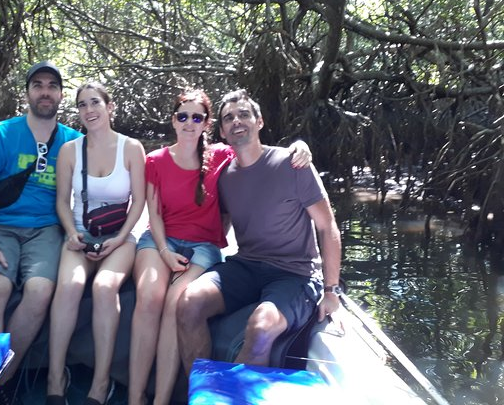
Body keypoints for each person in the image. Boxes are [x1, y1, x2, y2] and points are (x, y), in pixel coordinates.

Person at [128, 89, 313, 405]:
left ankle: (161, 399)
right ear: (173, 120)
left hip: (204, 246)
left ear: (207, 123)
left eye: (196, 117)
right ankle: (134, 397)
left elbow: (257, 154)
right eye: (182, 116)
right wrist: (163, 251)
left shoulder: (222, 155)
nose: (189, 123)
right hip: (161, 241)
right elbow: (154, 215)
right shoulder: (155, 160)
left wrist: (300, 146)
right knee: (148, 298)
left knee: (177, 302)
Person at [176, 89, 342, 377]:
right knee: (189, 303)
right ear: (223, 131)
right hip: (247, 265)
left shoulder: (293, 165)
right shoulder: (224, 176)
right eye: (228, 118)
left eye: (243, 115)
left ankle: (234, 393)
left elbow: (327, 227)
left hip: (295, 273)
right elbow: (216, 224)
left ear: (259, 122)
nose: (236, 121)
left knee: (261, 325)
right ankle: (206, 392)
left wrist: (331, 291)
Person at [0, 61, 82, 389]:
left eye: (52, 86)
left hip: (46, 230)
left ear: (60, 95)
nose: (45, 92)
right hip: (0, 226)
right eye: (38, 85)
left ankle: (0, 382)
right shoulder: (0, 134)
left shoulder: (75, 142)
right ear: (28, 93)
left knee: (40, 290)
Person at [46, 83, 146, 405]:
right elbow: (63, 201)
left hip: (120, 238)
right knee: (70, 286)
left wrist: (119, 239)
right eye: (82, 105)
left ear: (109, 106)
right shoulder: (69, 151)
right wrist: (71, 234)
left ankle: (100, 384)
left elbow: (140, 202)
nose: (89, 110)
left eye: (95, 103)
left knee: (105, 288)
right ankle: (55, 377)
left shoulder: (131, 148)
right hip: (79, 235)